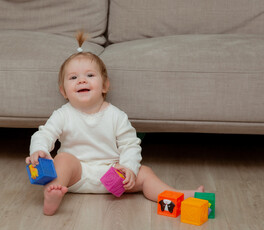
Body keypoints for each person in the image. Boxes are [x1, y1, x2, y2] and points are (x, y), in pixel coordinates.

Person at [26, 31, 204, 216]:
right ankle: (53, 194)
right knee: (62, 160)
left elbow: (130, 144)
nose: (81, 80)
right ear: (64, 91)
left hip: (112, 177)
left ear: (105, 86)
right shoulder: (62, 114)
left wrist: (128, 167)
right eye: (73, 78)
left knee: (145, 173)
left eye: (89, 75)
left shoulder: (116, 115)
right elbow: (44, 134)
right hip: (75, 175)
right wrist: (39, 150)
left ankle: (176, 195)